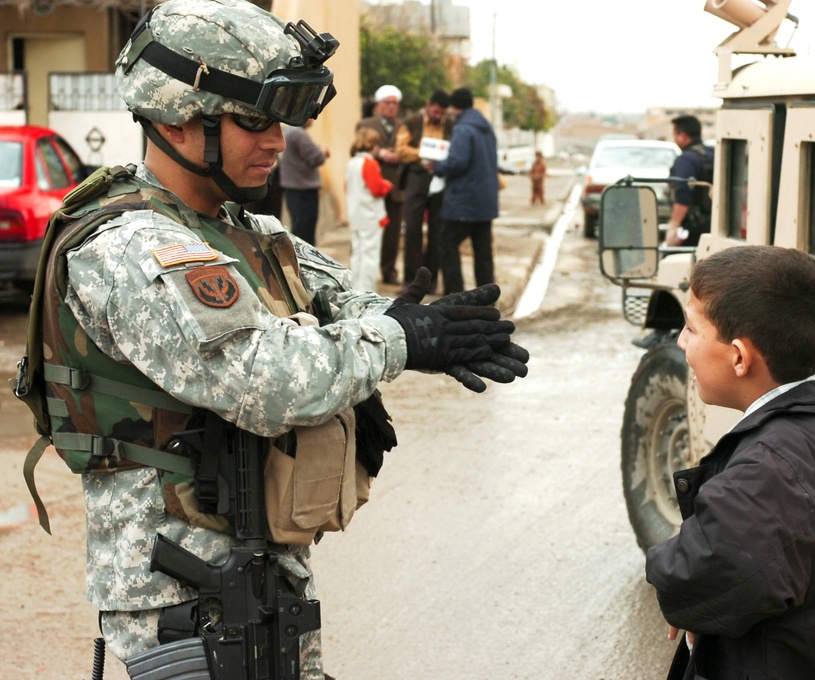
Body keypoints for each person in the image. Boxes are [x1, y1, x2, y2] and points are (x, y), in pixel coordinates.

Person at [18, 1, 528, 677]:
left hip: (259, 577)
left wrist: (429, 329)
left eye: (279, 123)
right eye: (253, 121)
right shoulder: (129, 246)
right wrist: (398, 341)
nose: (275, 142)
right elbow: (266, 379)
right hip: (177, 595)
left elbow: (345, 301)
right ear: (176, 116)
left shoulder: (241, 231)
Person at [645, 246, 815, 680]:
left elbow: (693, 578)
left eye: (691, 329)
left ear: (739, 357)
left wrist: (678, 587)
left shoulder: (765, 469)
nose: (681, 341)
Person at [430, 87, 500, 295]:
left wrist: (436, 166)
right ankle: (486, 298)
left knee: (447, 243)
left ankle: (456, 295)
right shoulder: (486, 127)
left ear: (454, 107)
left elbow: (458, 162)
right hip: (485, 201)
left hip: (464, 201)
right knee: (483, 251)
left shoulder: (463, 129)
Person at [396, 89, 454, 290]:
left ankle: (430, 281)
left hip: (440, 178)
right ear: (428, 105)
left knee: (438, 230)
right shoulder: (412, 122)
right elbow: (401, 150)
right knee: (412, 228)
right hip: (417, 175)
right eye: (436, 112)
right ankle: (412, 280)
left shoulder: (452, 125)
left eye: (442, 113)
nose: (438, 116)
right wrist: (425, 154)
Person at [357, 84, 404, 285]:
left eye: (395, 103)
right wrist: (380, 153)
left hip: (396, 186)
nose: (392, 107)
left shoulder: (404, 126)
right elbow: (359, 148)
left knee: (393, 234)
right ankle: (363, 272)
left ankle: (389, 271)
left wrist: (399, 155)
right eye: (388, 103)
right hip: (373, 186)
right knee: (368, 231)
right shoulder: (366, 124)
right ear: (379, 104)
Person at [346, 127, 394, 292]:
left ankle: (355, 287)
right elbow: (377, 189)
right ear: (373, 145)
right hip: (370, 216)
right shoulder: (370, 163)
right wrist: (387, 185)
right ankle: (367, 289)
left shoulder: (352, 162)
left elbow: (347, 187)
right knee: (370, 255)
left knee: (357, 253)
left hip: (356, 214)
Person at [664, 114, 714, 247]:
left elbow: (683, 194)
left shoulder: (686, 160)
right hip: (716, 224)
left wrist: (674, 226)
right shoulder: (712, 153)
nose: (674, 139)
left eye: (675, 135)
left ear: (683, 136)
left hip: (693, 228)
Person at [279, 118, 330, 246]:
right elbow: (315, 157)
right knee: (304, 231)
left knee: (301, 228)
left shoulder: (291, 131)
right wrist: (323, 151)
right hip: (302, 189)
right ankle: (304, 262)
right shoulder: (297, 133)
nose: (313, 119)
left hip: (296, 187)